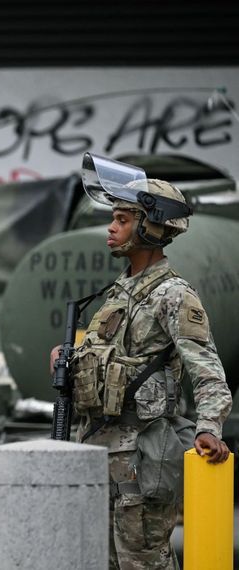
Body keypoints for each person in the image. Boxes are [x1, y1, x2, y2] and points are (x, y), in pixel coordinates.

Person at [55, 154, 232, 569]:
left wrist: (209, 427)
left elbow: (207, 370)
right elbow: (108, 361)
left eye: (122, 219)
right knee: (99, 560)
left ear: (151, 227)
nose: (111, 228)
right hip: (97, 448)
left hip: (141, 458)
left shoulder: (173, 295)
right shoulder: (118, 293)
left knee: (143, 562)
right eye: (112, 218)